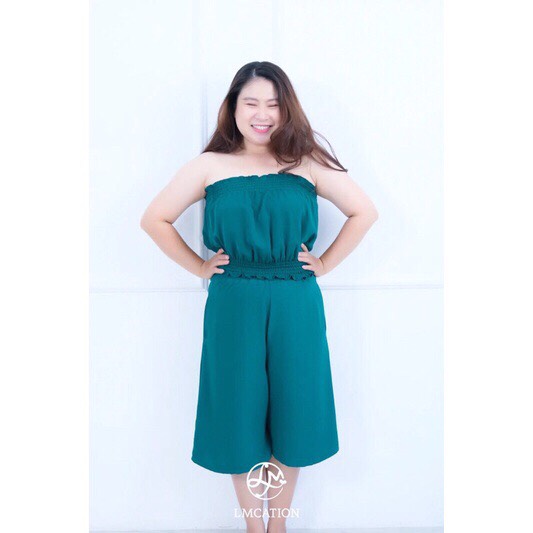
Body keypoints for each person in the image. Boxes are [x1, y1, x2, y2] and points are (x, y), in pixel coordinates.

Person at [140, 61, 379, 533]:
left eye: (273, 104)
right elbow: (154, 219)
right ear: (233, 107)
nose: (262, 114)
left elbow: (364, 212)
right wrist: (200, 267)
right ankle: (253, 526)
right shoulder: (209, 165)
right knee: (239, 414)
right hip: (233, 301)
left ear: (286, 109)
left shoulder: (306, 162)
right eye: (251, 102)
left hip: (295, 299)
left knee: (295, 411)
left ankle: (278, 525)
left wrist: (325, 263)